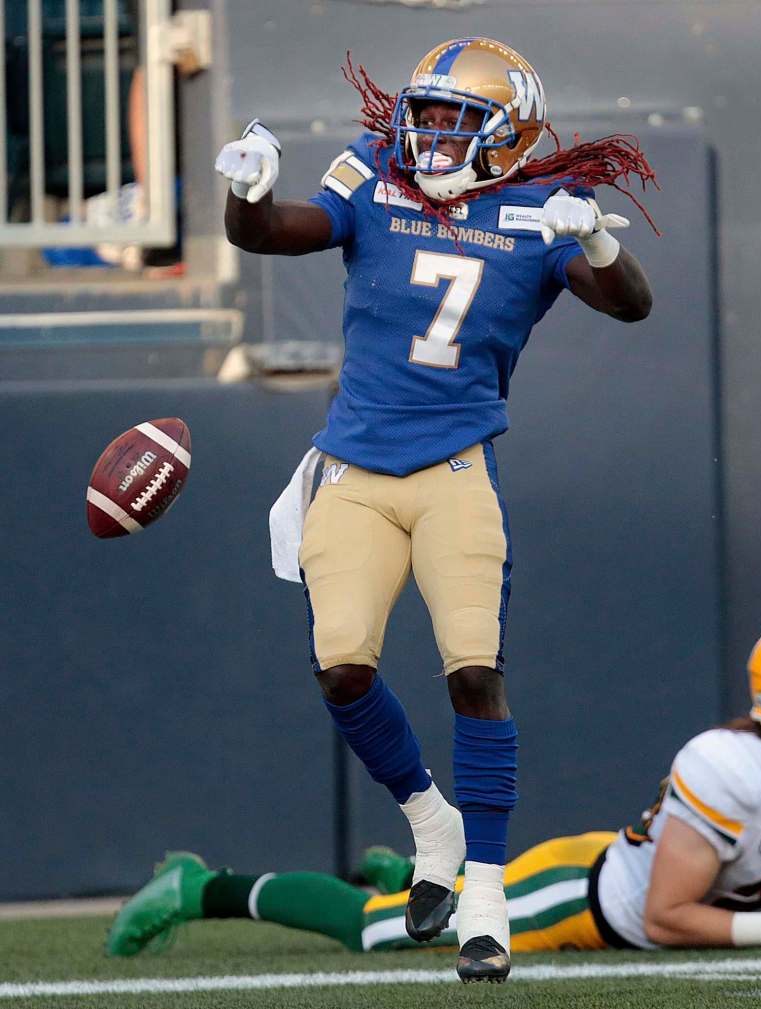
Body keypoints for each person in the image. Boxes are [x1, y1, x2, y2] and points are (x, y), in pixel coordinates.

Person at [212, 38, 655, 983]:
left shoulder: (540, 207)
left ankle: (485, 903)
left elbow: (632, 304)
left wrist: (595, 239)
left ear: (511, 134)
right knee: (342, 668)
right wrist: (246, 192)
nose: (436, 136)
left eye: (460, 121)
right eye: (428, 115)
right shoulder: (374, 173)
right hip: (353, 468)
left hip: (455, 468)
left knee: (474, 671)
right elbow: (271, 232)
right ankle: (429, 818)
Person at [106, 611, 761, 963]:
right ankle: (200, 886)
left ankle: (413, 875)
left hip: (640, 880)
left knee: (409, 910)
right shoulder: (728, 766)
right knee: (374, 931)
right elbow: (664, 916)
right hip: (584, 900)